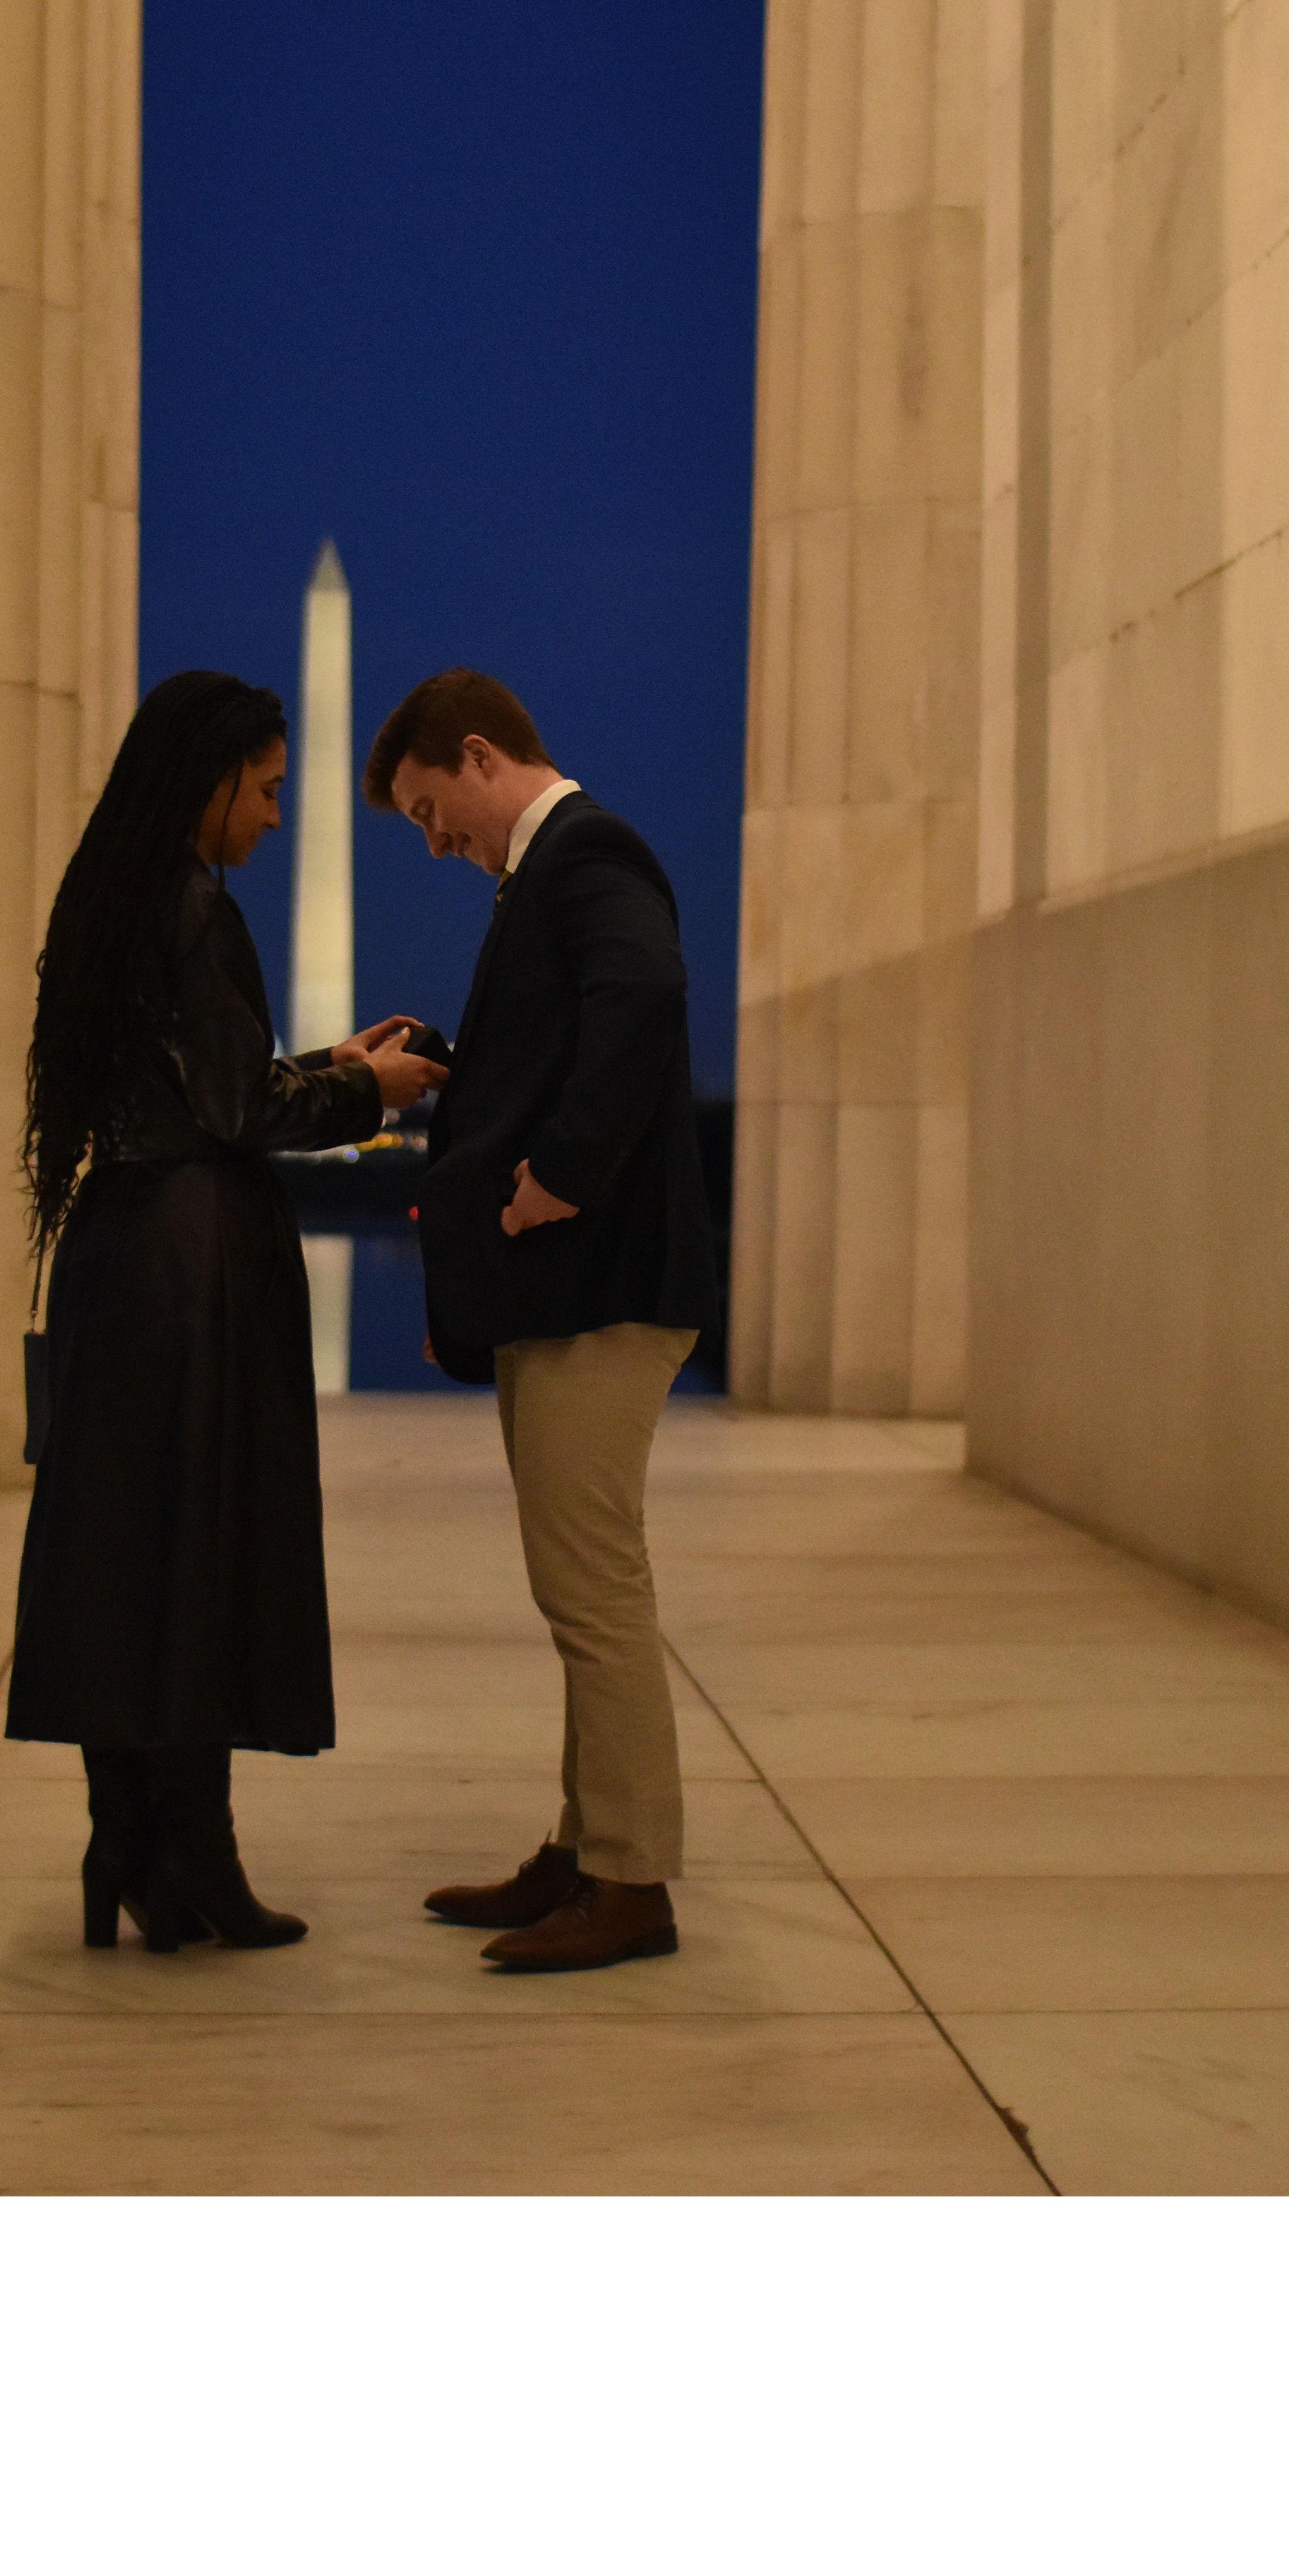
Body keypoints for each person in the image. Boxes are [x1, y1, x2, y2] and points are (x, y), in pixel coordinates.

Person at [9, 669, 447, 1952]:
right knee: (199, 1552)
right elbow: (241, 1115)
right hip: (195, 1271)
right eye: (262, 790)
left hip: (122, 1253)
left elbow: (190, 1086)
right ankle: (193, 1858)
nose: (269, 818)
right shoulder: (195, 908)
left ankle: (127, 1842)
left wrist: (333, 1064)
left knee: (124, 1555)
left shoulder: (115, 897)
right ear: (210, 782)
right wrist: (376, 1095)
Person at [364, 666, 719, 1975]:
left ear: (474, 756)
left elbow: (643, 1000)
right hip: (574, 1293)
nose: (432, 838)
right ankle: (585, 1852)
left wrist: (555, 1175)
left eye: (424, 809)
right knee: (580, 1588)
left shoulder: (588, 850)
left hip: (600, 1289)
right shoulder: (553, 870)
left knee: (594, 1591)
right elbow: (581, 1026)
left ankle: (631, 1885)